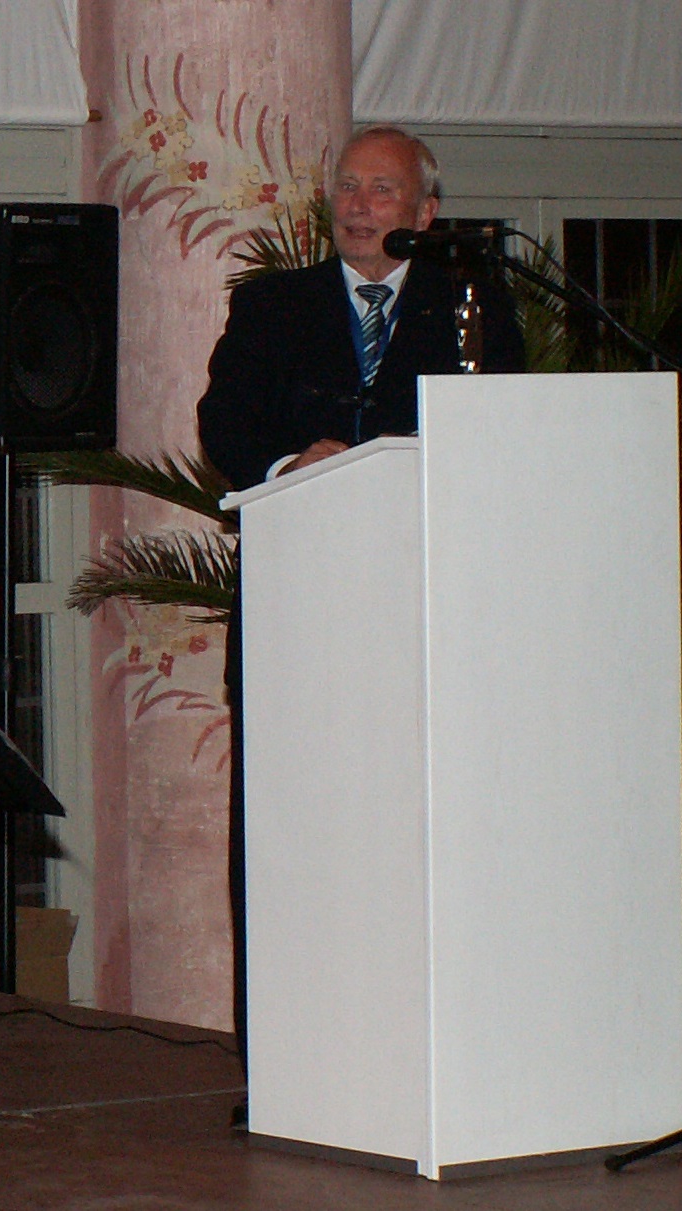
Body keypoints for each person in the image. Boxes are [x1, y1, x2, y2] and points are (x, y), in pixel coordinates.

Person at [196, 125, 526, 1120]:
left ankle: (424, 1063)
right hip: (299, 624)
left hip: (425, 621)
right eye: (346, 184)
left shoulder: (471, 304)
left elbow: (496, 431)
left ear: (426, 213)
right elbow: (224, 428)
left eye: (383, 189)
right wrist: (294, 464)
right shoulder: (271, 305)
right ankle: (283, 1074)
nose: (359, 202)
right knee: (285, 849)